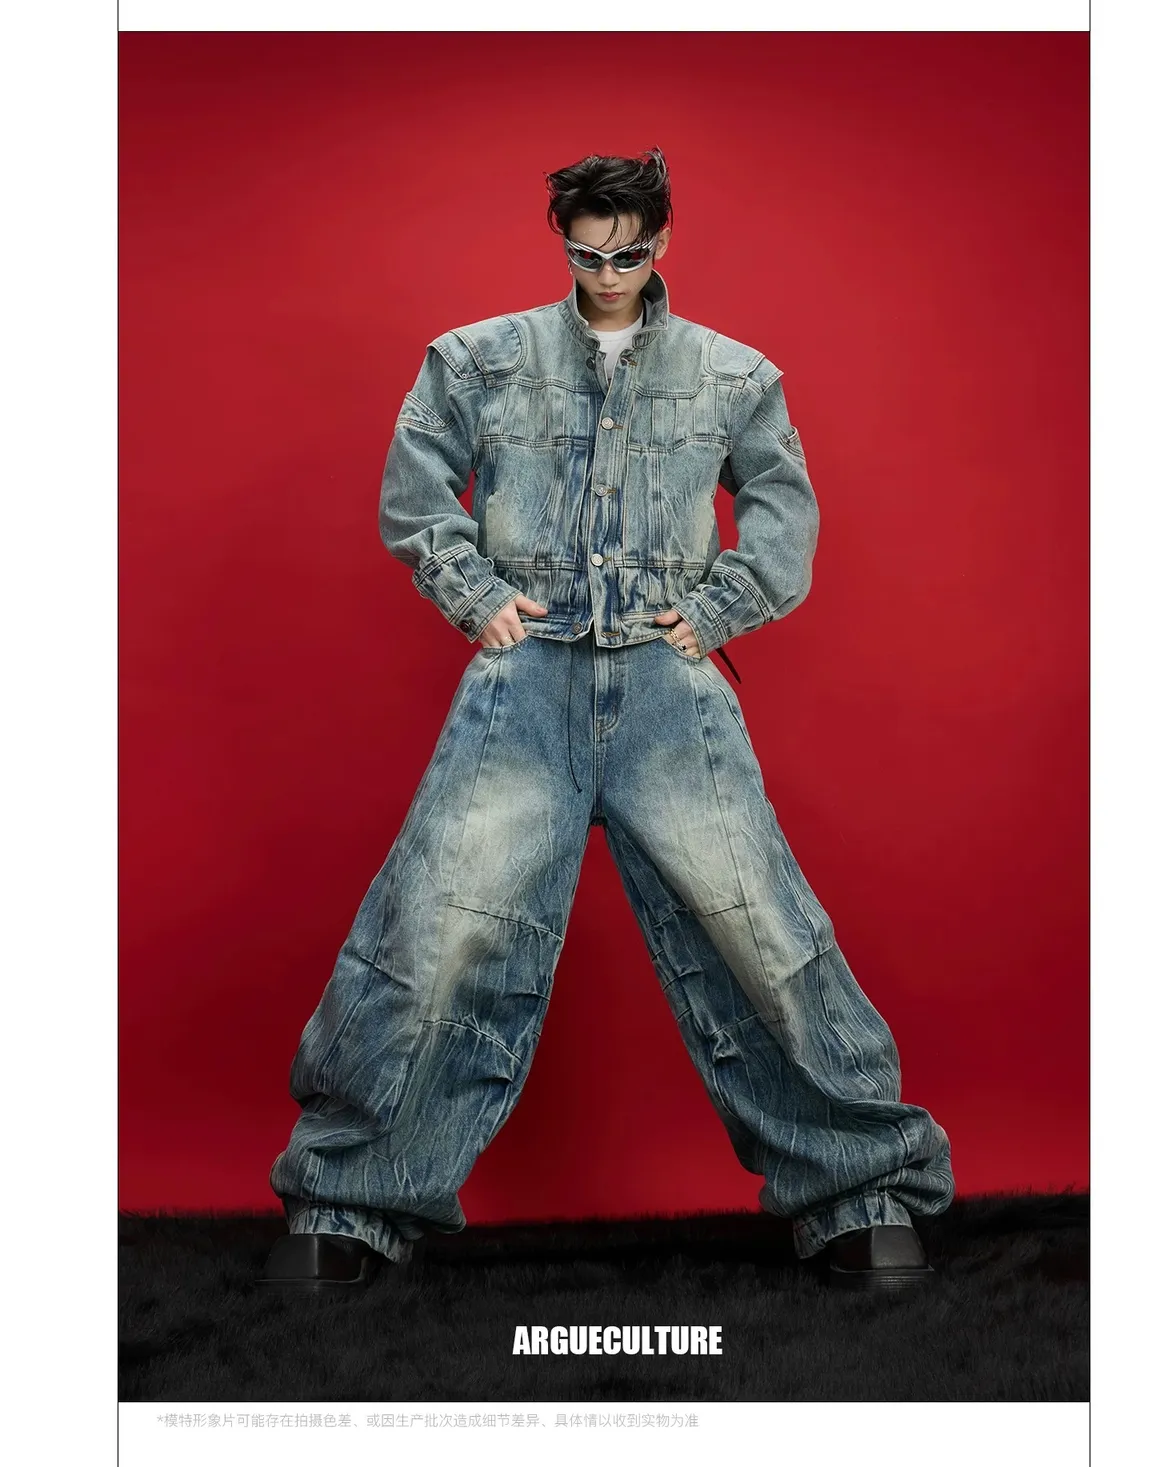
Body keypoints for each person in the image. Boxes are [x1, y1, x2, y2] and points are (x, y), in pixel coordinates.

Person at [258, 146, 954, 1297]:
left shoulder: (735, 375)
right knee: (439, 925)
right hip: (523, 679)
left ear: (661, 242)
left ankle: (863, 1192)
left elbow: (784, 510)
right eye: (587, 254)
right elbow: (416, 487)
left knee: (758, 928)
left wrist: (719, 607)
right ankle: (346, 1203)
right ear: (565, 243)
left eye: (627, 253)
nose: (608, 272)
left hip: (668, 688)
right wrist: (474, 594)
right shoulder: (477, 357)